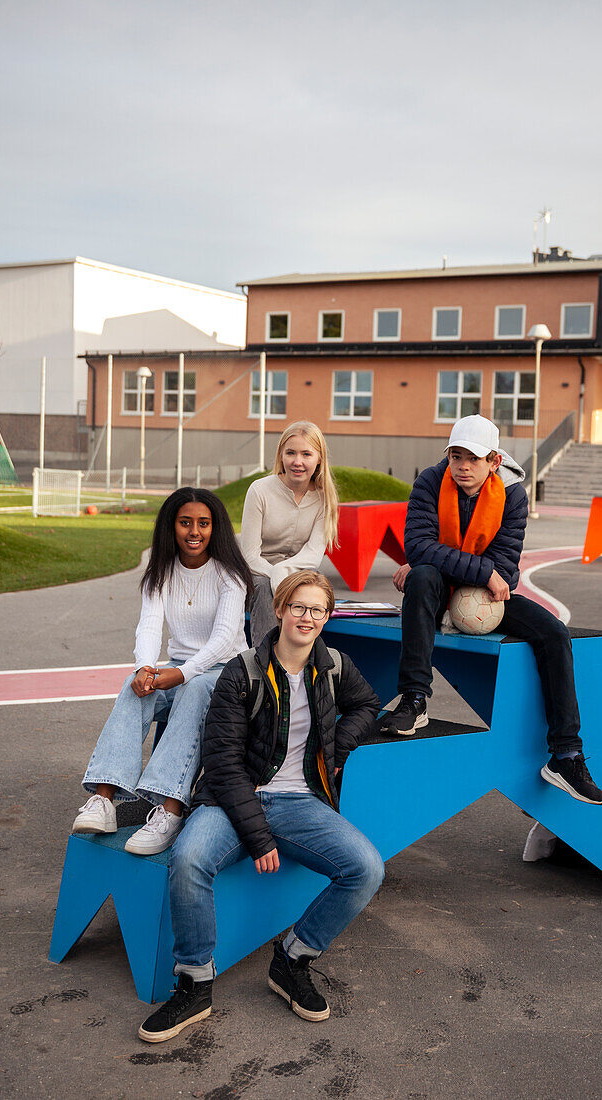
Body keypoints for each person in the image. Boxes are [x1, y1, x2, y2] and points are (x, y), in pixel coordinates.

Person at [138, 569, 383, 1043]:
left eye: (317, 609)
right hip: (235, 798)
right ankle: (194, 982)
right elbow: (223, 763)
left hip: (301, 801)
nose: (306, 617)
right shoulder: (243, 669)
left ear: (327, 616)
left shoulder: (335, 666)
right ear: (281, 610)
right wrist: (258, 835)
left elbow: (368, 706)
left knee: (367, 868)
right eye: (298, 606)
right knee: (189, 859)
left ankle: (292, 959)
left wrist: (337, 749)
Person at [382, 414, 602, 806]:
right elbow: (419, 548)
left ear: (494, 462)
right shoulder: (430, 482)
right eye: (456, 457)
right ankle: (414, 700)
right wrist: (481, 569)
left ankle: (566, 755)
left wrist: (481, 572)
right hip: (437, 589)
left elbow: (506, 570)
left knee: (554, 633)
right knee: (421, 577)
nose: (463, 467)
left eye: (473, 458)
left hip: (482, 599)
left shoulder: (513, 496)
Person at [71, 487, 253, 855]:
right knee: (132, 686)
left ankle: (169, 810)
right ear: (171, 526)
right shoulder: (162, 571)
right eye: (185, 522)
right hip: (179, 668)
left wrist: (182, 673)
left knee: (196, 689)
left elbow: (222, 639)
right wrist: (144, 668)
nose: (194, 532)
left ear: (215, 528)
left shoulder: (230, 574)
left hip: (228, 673)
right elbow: (150, 625)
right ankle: (105, 799)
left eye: (203, 523)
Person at [240, 421, 339, 646]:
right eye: (291, 453)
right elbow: (250, 556)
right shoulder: (260, 490)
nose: (297, 462)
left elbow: (312, 555)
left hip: (300, 572)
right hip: (257, 573)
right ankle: (265, 664)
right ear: (281, 455)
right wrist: (277, 577)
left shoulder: (325, 499)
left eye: (306, 454)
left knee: (313, 592)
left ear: (319, 458)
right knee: (265, 587)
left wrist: (285, 575)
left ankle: (304, 661)